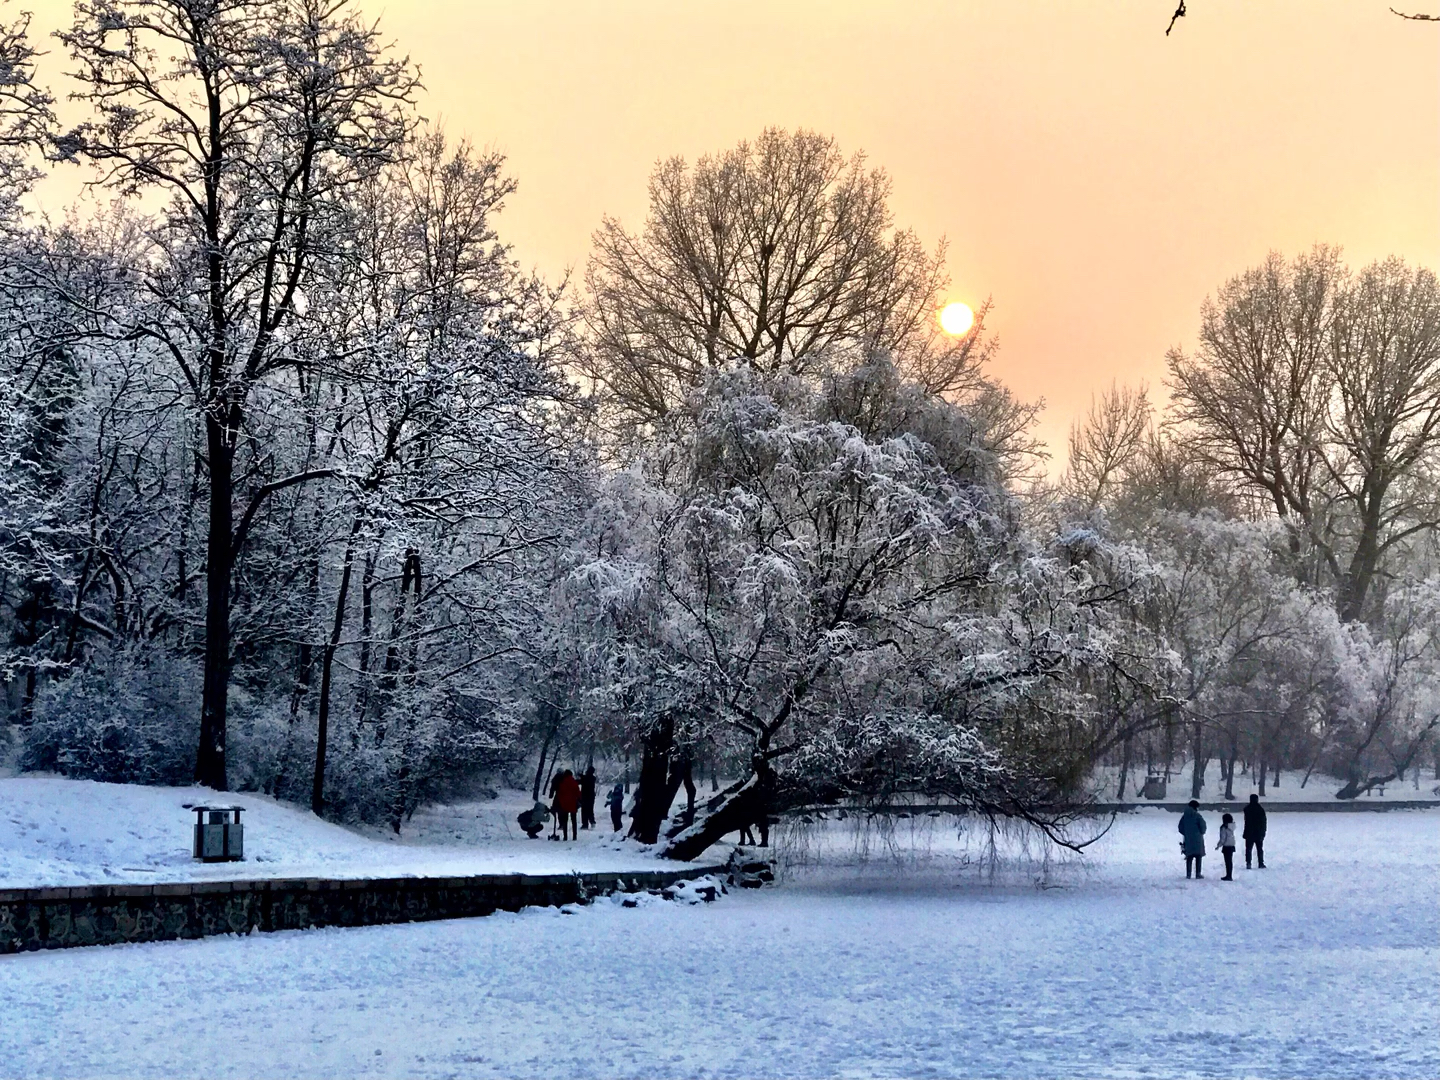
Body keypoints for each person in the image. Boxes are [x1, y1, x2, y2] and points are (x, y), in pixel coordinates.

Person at [1178, 799, 1208, 879]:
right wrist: (1201, 832)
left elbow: (1180, 827)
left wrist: (1186, 833)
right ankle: (1198, 874)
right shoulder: (1197, 816)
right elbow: (1203, 827)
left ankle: (1188, 874)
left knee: (1189, 857)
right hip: (1198, 839)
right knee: (1198, 856)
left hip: (1188, 839)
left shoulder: (1184, 816)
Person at [554, 768, 581, 841]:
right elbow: (578, 793)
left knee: (564, 821)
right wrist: (579, 800)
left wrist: (561, 801)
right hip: (573, 804)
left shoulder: (562, 783)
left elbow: (559, 794)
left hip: (564, 805)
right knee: (574, 821)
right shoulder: (574, 782)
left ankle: (565, 836)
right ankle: (574, 836)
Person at [1243, 792, 1267, 869]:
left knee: (1248, 849)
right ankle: (1260, 863)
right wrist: (1263, 832)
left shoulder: (1247, 809)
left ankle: (1248, 863)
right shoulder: (1260, 809)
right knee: (1259, 849)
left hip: (1249, 832)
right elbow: (1263, 822)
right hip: (1258, 832)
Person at [1216, 812, 1237, 880]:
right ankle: (1229, 875)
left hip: (1226, 846)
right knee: (1230, 861)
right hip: (1232, 845)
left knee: (1227, 861)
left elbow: (1223, 839)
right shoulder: (1232, 826)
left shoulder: (1224, 828)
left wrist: (1218, 845)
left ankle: (1228, 875)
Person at [580, 765, 598, 830]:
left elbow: (583, 781)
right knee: (590, 810)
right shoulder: (592, 778)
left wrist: (581, 776)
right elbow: (585, 780)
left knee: (584, 811)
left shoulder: (586, 778)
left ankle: (585, 824)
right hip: (591, 797)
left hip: (585, 796)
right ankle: (592, 822)